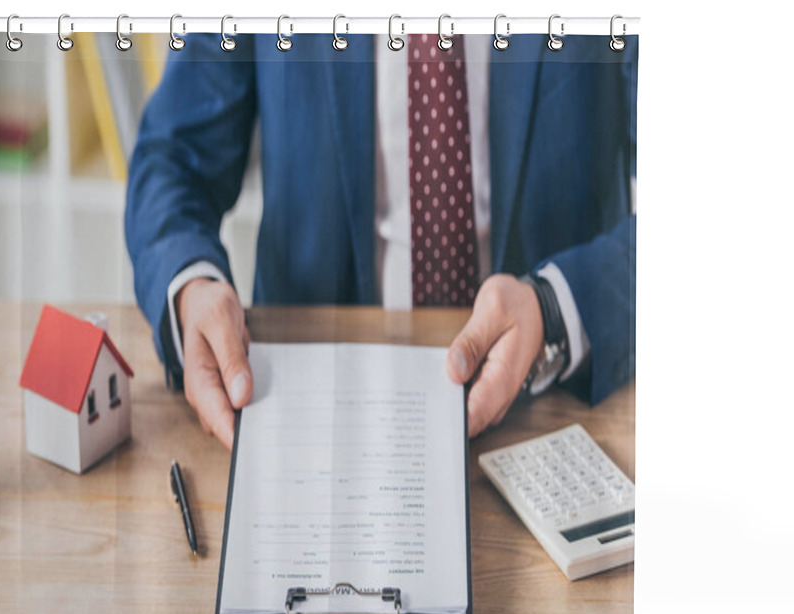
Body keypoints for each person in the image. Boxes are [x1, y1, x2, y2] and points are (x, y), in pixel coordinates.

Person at [126, 33, 636, 450]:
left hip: (559, 405)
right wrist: (191, 285)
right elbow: (173, 156)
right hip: (308, 411)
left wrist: (553, 307)